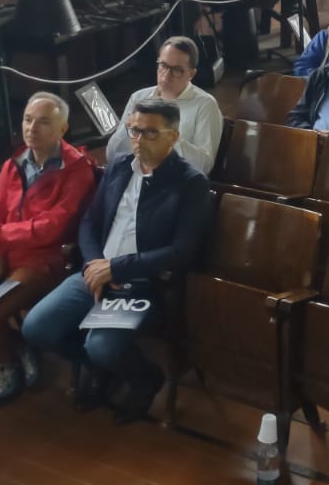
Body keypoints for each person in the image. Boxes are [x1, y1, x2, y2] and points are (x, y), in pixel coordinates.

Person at [21, 99, 213, 423]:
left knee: (103, 347)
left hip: (142, 281)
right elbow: (89, 223)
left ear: (173, 136)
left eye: (150, 132)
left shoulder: (190, 183)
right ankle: (101, 370)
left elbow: (183, 252)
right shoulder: (120, 165)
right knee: (36, 328)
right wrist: (94, 264)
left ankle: (145, 378)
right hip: (96, 271)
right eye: (134, 130)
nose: (138, 139)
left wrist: (116, 268)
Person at [0, 93, 98, 404]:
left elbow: (51, 227)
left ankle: (5, 363)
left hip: (44, 260)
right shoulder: (15, 163)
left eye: (43, 122)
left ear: (63, 129)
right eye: (27, 119)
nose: (31, 128)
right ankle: (17, 346)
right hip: (4, 255)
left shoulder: (77, 170)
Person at [108, 36, 224, 173]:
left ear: (191, 74)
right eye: (163, 66)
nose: (166, 75)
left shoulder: (205, 105)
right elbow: (112, 155)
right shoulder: (139, 97)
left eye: (176, 70)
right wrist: (128, 127)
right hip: (137, 174)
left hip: (176, 180)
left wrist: (168, 137)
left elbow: (204, 166)